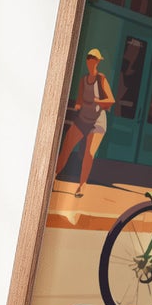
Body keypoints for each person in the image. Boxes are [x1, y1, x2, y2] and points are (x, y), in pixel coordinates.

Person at [56, 48, 115, 197]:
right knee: (67, 145)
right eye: (89, 58)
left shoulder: (101, 79)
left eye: (94, 59)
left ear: (98, 62)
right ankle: (53, 176)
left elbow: (111, 100)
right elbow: (80, 100)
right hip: (83, 119)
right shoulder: (84, 80)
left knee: (89, 153)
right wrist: (76, 106)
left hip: (97, 122)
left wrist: (98, 101)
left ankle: (82, 186)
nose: (91, 61)